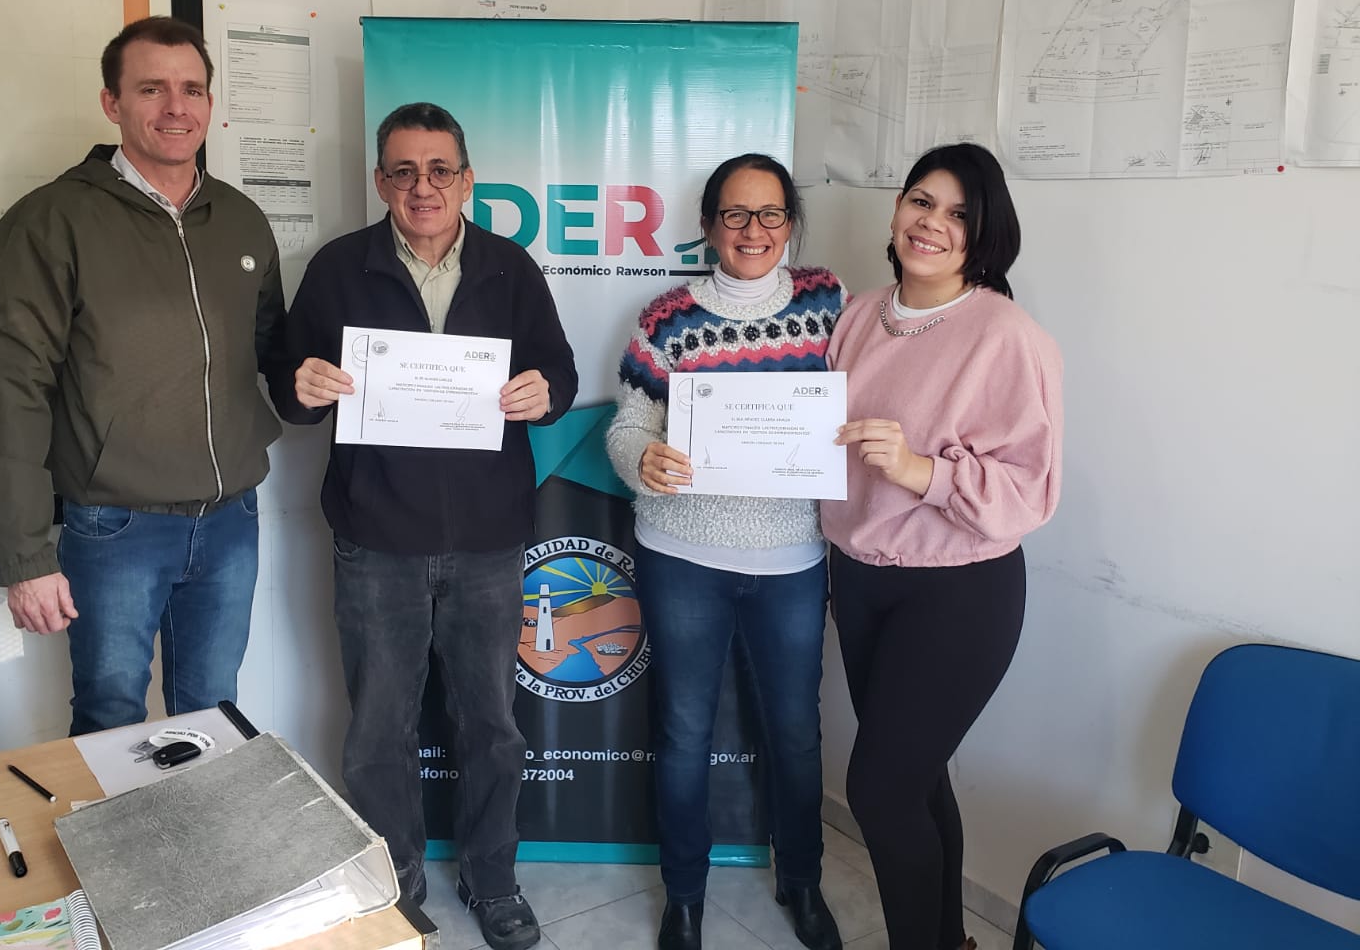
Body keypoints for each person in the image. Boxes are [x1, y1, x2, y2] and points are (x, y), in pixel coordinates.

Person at [284, 101, 577, 950]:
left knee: (493, 727)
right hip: (377, 541)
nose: (424, 186)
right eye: (405, 170)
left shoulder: (510, 268)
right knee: (379, 731)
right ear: (381, 181)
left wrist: (545, 393)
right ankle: (396, 881)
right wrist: (299, 386)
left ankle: (492, 878)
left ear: (467, 179)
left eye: (440, 169)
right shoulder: (338, 268)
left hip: (489, 541)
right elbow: (288, 385)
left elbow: (556, 370)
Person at [0, 15, 298, 736]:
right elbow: (16, 391)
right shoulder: (52, 220)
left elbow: (271, 350)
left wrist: (319, 379)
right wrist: (25, 558)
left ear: (210, 103)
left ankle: (200, 820)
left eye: (193, 89)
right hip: (115, 524)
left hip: (231, 519)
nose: (176, 107)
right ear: (111, 102)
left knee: (214, 718)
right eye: (152, 89)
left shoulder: (241, 220)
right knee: (109, 720)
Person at [821, 143, 1063, 950]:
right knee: (916, 780)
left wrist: (921, 470)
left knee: (879, 791)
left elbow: (1030, 490)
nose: (933, 223)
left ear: (984, 233)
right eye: (922, 201)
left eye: (959, 213)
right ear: (897, 209)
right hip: (859, 577)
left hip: (958, 591)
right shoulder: (858, 315)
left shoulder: (1007, 335)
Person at [605, 154, 848, 950]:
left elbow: (860, 403)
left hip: (792, 557)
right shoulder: (667, 317)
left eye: (770, 213)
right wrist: (641, 459)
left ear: (790, 223)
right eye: (735, 214)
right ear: (709, 225)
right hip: (684, 554)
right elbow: (628, 424)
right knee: (683, 732)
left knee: (796, 732)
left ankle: (801, 880)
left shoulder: (828, 303)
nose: (753, 230)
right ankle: (685, 896)